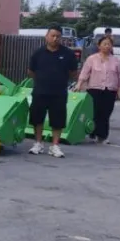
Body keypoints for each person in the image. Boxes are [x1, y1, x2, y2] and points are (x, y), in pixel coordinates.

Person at [28, 25, 79, 158]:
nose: (55, 38)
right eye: (52, 36)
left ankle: (55, 146)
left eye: (58, 36)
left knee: (58, 120)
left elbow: (73, 72)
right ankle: (38, 143)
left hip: (59, 93)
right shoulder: (38, 53)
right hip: (40, 92)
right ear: (47, 36)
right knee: (37, 119)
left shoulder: (68, 54)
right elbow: (31, 72)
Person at [77, 35, 120, 144]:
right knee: (94, 112)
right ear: (99, 46)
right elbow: (85, 73)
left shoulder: (116, 60)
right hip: (94, 89)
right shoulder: (92, 59)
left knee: (106, 113)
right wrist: (79, 84)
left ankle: (103, 136)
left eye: (109, 44)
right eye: (104, 44)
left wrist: (119, 90)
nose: (107, 46)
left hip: (110, 90)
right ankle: (92, 133)